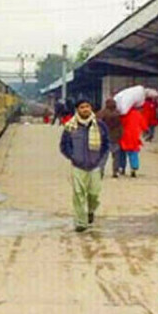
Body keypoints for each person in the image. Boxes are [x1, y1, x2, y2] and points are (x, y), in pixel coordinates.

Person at [60, 99, 109, 232]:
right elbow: (64, 146)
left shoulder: (100, 126)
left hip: (95, 166)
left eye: (87, 106)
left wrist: (101, 161)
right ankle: (81, 222)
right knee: (78, 194)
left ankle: (91, 211)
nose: (85, 109)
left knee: (94, 194)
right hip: (78, 166)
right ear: (77, 110)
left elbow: (106, 145)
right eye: (82, 107)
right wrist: (73, 157)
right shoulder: (70, 127)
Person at [96, 98, 123, 178]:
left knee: (103, 155)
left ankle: (100, 170)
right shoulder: (118, 114)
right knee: (116, 156)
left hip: (104, 137)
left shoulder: (101, 113)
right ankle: (115, 171)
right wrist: (120, 135)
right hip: (115, 137)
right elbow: (120, 127)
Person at [119, 106, 148, 177]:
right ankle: (134, 168)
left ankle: (122, 167)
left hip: (125, 135)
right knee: (133, 152)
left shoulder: (124, 114)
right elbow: (143, 125)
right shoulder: (138, 114)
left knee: (122, 152)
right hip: (135, 135)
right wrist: (146, 130)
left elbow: (121, 124)